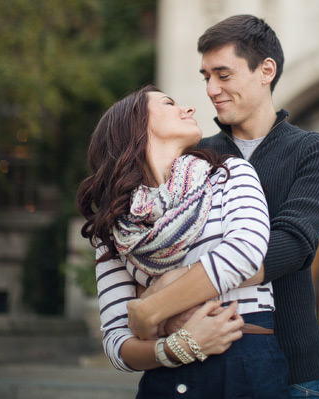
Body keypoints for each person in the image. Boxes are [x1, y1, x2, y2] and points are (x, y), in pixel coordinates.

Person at [128, 14, 319, 398]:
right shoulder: (196, 155)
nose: (211, 89)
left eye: (223, 75)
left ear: (266, 70)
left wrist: (169, 290)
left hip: (295, 365)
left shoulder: (315, 151)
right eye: (205, 76)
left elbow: (293, 245)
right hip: (202, 361)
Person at [76, 86, 291, 397]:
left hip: (247, 365)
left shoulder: (229, 174)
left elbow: (246, 251)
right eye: (168, 103)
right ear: (134, 125)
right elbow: (116, 341)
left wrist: (151, 305)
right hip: (165, 379)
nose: (188, 108)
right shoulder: (115, 225)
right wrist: (174, 347)